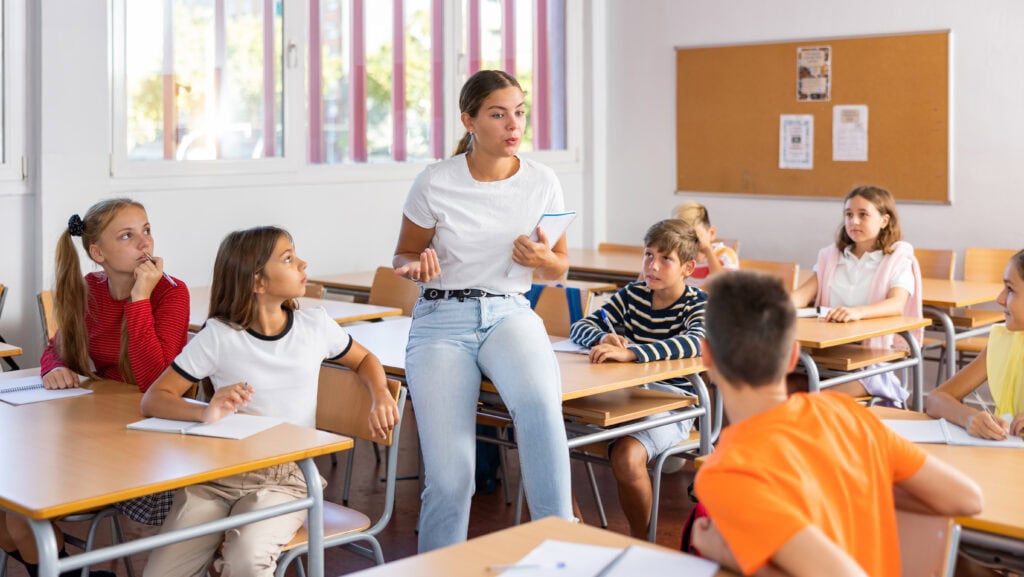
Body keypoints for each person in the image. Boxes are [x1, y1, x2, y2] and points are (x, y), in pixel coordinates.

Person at [140, 226, 399, 577]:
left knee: (245, 561)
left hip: (287, 477)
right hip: (219, 475)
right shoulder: (218, 335)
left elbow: (365, 360)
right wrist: (207, 411)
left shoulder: (315, 325)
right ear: (258, 281)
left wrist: (380, 395)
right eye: (289, 258)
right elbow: (155, 399)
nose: (303, 263)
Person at [692, 270, 983, 577]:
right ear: (793, 356)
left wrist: (727, 553)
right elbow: (968, 498)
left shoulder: (726, 471)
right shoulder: (846, 413)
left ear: (706, 355)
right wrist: (857, 481)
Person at [393, 69, 574, 552]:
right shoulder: (435, 180)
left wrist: (541, 260)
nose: (513, 124)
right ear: (469, 121)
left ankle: (562, 551)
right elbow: (403, 255)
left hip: (509, 313)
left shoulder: (543, 181)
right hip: (441, 321)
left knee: (540, 410)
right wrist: (416, 266)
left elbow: (559, 266)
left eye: (519, 113)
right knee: (452, 478)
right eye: (498, 114)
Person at [0, 198, 189, 577]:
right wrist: (53, 367)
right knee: (10, 515)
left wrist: (139, 300)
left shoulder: (171, 293)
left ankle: (62, 569)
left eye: (146, 231)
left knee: (20, 518)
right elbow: (58, 348)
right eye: (128, 235)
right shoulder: (90, 289)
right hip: (94, 425)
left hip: (146, 438)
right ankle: (66, 570)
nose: (145, 244)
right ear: (97, 252)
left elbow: (154, 381)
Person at [568, 219, 706, 538]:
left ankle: (642, 541)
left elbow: (695, 342)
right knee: (550, 436)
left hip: (675, 407)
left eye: (665, 258)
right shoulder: (633, 295)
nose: (652, 266)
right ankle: (570, 527)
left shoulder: (698, 304)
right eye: (648, 255)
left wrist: (635, 353)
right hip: (624, 398)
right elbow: (580, 327)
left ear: (688, 268)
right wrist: (603, 338)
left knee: (628, 458)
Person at [790, 185, 922, 405]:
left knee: (814, 402)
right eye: (849, 215)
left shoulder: (898, 258)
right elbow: (802, 296)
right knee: (766, 388)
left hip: (872, 362)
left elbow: (896, 304)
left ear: (884, 220)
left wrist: (857, 313)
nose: (854, 221)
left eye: (863, 215)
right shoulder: (831, 256)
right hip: (827, 355)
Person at [926, 249, 1024, 439]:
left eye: (1010, 289)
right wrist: (969, 417)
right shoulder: (1003, 342)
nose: (999, 299)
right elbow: (935, 399)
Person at [673, 201, 738, 285]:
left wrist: (708, 250)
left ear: (711, 233)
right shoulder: (680, 256)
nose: (690, 243)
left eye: (695, 237)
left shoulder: (726, 255)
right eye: (683, 237)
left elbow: (723, 287)